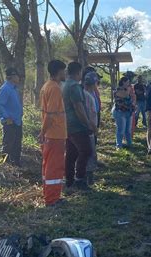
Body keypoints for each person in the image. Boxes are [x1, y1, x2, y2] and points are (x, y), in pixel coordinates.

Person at [63, 61, 96, 190]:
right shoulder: (74, 87)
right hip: (77, 125)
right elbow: (79, 107)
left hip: (69, 125)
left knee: (71, 153)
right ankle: (80, 179)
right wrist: (88, 124)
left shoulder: (66, 85)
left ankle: (69, 180)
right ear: (78, 72)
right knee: (86, 151)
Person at [39, 60, 67, 207]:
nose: (65, 73)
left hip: (51, 134)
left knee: (48, 166)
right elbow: (50, 114)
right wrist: (43, 132)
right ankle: (52, 199)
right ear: (58, 71)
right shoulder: (55, 88)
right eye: (64, 70)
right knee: (54, 167)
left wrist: (43, 132)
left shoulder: (46, 86)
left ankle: (50, 195)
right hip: (55, 134)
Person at [0, 68, 23, 166]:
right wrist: (6, 117)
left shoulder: (14, 88)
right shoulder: (6, 88)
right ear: (12, 76)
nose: (19, 78)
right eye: (18, 76)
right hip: (10, 122)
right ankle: (6, 166)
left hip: (17, 121)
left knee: (17, 145)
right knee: (8, 145)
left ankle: (16, 166)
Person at [83, 72, 99, 185]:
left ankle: (85, 176)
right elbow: (91, 114)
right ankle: (88, 178)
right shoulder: (88, 96)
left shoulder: (85, 94)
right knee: (90, 153)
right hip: (89, 128)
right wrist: (94, 128)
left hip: (85, 127)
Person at [112, 77, 135, 149]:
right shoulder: (118, 90)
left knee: (128, 130)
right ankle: (119, 145)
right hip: (120, 112)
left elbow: (133, 98)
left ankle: (129, 144)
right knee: (120, 130)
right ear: (123, 82)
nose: (129, 84)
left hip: (129, 112)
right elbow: (125, 95)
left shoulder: (127, 90)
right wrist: (129, 90)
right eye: (127, 82)